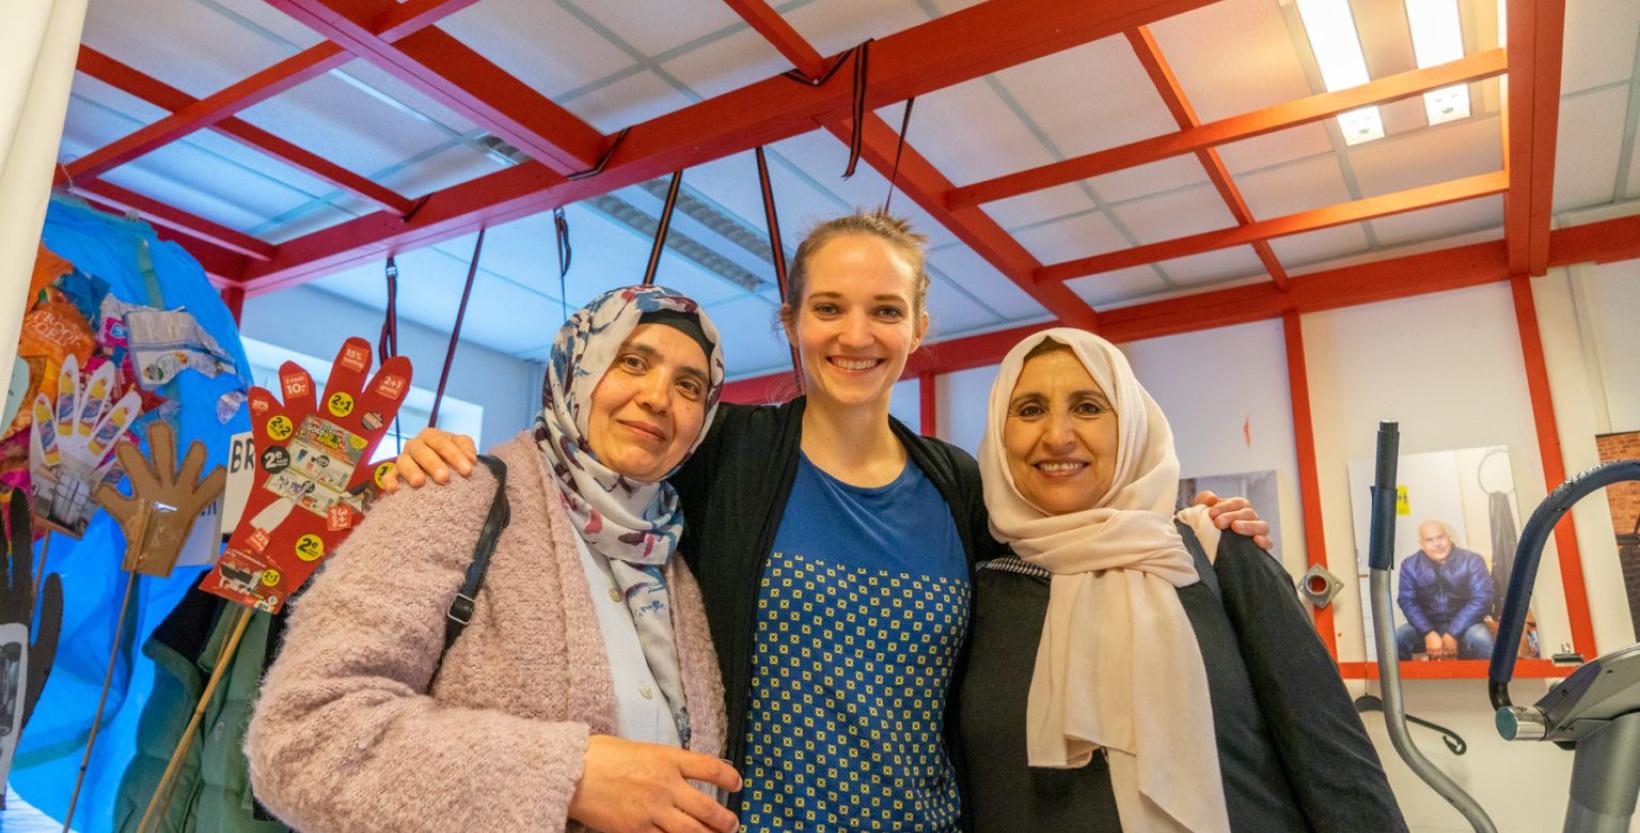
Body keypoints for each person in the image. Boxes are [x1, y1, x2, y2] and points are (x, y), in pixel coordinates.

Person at [389, 212, 1274, 832]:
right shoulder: (726, 451)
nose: (857, 334)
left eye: (885, 309)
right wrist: (447, 462)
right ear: (791, 322)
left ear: (920, 325)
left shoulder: (957, 484)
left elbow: (1059, 550)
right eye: (829, 308)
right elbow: (600, 474)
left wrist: (1181, 520)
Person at [245, 286, 742, 833]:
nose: (657, 397)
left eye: (689, 386)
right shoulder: (455, 490)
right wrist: (567, 775)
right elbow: (302, 737)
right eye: (632, 361)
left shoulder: (670, 557)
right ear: (578, 364)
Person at [962, 329, 1405, 833]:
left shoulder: (1215, 551)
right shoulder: (976, 589)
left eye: (1088, 407)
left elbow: (1336, 762)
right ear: (999, 433)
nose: (1058, 435)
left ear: (1130, 424)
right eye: (1029, 410)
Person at [1395, 520, 1494, 661]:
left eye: (1440, 537)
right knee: (1396, 640)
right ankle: (1401, 683)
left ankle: (1491, 683)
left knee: (1481, 640)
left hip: (1468, 625)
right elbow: (1407, 601)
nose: (1437, 544)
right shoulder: (1410, 565)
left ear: (1449, 537)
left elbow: (1482, 598)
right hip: (1426, 626)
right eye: (1429, 540)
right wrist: (1428, 632)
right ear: (1421, 544)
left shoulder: (1472, 561)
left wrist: (1452, 633)